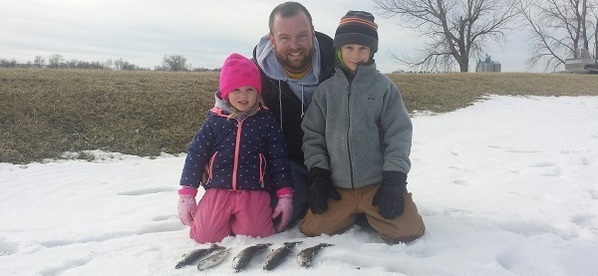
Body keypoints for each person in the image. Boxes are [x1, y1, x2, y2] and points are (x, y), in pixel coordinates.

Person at [299, 11, 426, 243]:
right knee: (311, 230)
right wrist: (319, 176)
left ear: (372, 51)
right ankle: (353, 212)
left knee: (409, 230)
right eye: (349, 48)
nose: (356, 55)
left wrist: (395, 180)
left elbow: (399, 134)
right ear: (339, 50)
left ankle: (371, 210)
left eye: (363, 49)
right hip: (338, 187)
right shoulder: (325, 92)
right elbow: (312, 136)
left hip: (376, 186)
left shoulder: (384, 88)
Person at [176, 53, 294, 243]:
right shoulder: (215, 121)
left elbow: (278, 159)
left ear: (258, 92)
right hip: (219, 189)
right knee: (205, 237)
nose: (243, 96)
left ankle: (238, 221)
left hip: (254, 190)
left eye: (250, 89)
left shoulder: (266, 121)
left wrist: (284, 195)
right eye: (236, 89)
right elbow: (196, 155)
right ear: (226, 92)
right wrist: (187, 194)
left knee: (256, 235)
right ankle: (222, 221)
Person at [252, 1, 336, 227]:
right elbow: (227, 109)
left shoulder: (337, 64)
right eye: (285, 38)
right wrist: (209, 156)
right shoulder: (255, 73)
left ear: (313, 33)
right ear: (272, 39)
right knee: (267, 217)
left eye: (301, 35)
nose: (295, 45)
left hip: (336, 163)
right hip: (288, 165)